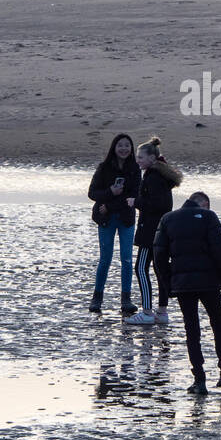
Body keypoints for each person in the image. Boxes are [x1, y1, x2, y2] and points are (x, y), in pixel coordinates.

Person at [154, 191, 221, 394]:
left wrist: (169, 283)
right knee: (220, 327)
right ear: (205, 204)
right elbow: (220, 249)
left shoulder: (168, 219)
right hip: (210, 282)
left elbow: (159, 256)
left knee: (192, 330)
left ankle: (199, 378)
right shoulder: (209, 217)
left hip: (183, 284)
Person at [126, 136, 183, 326]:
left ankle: (148, 311)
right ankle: (162, 311)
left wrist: (136, 202)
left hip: (150, 232)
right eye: (137, 157)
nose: (137, 161)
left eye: (140, 157)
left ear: (152, 158)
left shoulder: (154, 177)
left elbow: (159, 204)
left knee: (141, 268)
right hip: (160, 232)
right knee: (159, 269)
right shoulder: (161, 175)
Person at [88, 133, 141, 313]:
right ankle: (97, 298)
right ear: (114, 147)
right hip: (106, 220)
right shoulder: (104, 168)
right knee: (105, 259)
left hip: (125, 218)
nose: (124, 149)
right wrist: (110, 191)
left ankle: (126, 299)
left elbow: (133, 196)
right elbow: (93, 193)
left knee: (126, 259)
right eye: (120, 145)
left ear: (131, 149)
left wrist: (109, 206)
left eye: (127, 145)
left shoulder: (135, 169)